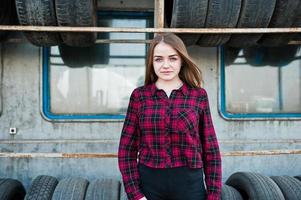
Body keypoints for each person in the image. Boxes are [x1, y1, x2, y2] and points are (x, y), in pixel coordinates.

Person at [118, 32, 222, 200]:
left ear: (182, 60)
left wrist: (213, 195)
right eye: (159, 59)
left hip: (190, 185)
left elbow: (211, 150)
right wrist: (135, 194)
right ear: (152, 62)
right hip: (149, 185)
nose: (165, 65)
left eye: (172, 58)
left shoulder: (198, 95)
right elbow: (126, 149)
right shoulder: (139, 96)